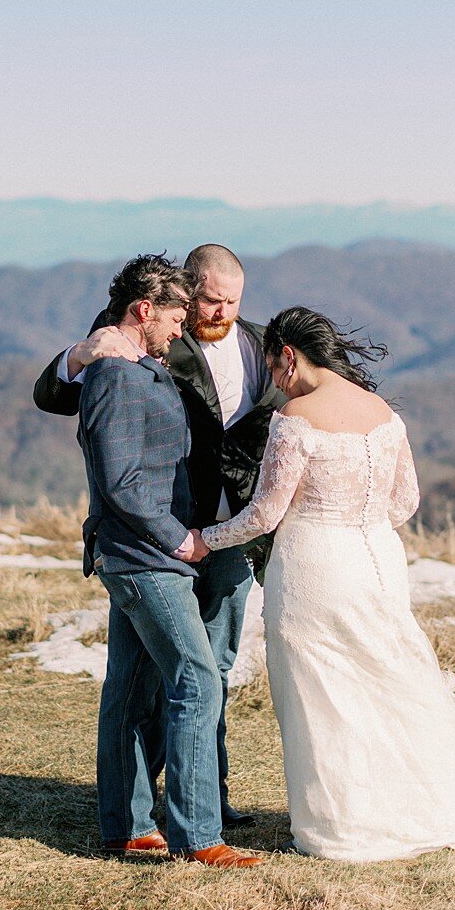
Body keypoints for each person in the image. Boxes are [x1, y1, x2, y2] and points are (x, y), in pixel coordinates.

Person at [201, 306, 455, 862]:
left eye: (272, 370)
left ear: (287, 356)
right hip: (379, 562)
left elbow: (265, 515)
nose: (273, 382)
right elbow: (405, 503)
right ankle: (418, 800)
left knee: (325, 688)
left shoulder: (295, 418)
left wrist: (205, 539)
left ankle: (340, 819)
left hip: (315, 563)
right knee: (388, 677)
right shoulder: (382, 412)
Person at [33, 244, 281, 826]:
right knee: (152, 677)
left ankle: (204, 799)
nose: (221, 311)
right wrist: (78, 354)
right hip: (158, 532)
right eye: (210, 300)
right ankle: (154, 816)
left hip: (227, 533)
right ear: (184, 294)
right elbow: (60, 396)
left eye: (233, 301)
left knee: (211, 667)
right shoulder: (138, 333)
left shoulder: (262, 344)